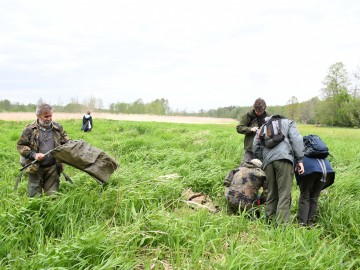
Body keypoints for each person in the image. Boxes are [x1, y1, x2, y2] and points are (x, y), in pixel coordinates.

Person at [253, 115, 305, 224]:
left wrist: (264, 159)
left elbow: (255, 146)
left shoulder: (263, 126)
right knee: (284, 194)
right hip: (284, 159)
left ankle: (269, 223)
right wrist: (299, 159)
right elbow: (297, 139)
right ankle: (282, 227)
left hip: (268, 162)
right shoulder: (288, 123)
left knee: (271, 192)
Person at [17, 103, 71, 197]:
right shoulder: (30, 129)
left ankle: (51, 211)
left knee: (52, 195)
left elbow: (67, 141)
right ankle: (36, 211)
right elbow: (21, 146)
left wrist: (74, 145)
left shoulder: (57, 127)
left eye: (50, 116)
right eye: (46, 116)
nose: (49, 118)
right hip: (35, 168)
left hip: (53, 167)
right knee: (34, 196)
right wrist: (34, 155)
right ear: (38, 116)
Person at [295, 156, 335, 227]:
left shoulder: (299, 150)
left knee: (305, 196)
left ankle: (302, 224)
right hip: (326, 171)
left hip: (309, 170)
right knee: (314, 197)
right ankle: (311, 223)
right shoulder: (315, 149)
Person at [236, 98, 268, 166]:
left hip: (263, 149)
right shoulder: (248, 116)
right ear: (254, 109)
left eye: (261, 111)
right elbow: (239, 128)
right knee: (244, 168)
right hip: (250, 149)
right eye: (257, 111)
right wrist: (250, 129)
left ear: (264, 109)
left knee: (262, 171)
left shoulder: (268, 116)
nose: (259, 113)